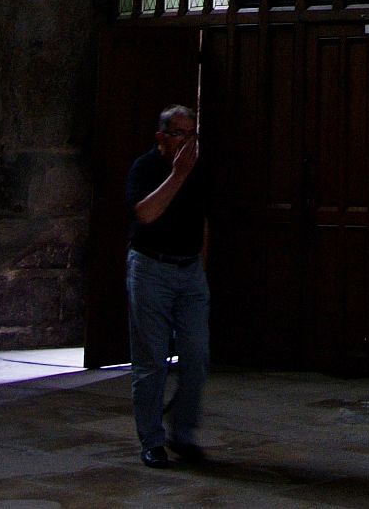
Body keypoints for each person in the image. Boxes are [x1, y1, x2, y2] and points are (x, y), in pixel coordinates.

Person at [126, 103, 210, 468]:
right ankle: (152, 440)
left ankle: (183, 434)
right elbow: (145, 213)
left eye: (191, 135)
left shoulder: (198, 169)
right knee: (151, 361)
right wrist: (177, 175)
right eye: (179, 134)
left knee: (196, 356)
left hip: (189, 271)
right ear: (162, 137)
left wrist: (200, 265)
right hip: (151, 270)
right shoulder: (146, 168)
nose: (186, 142)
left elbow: (203, 219)